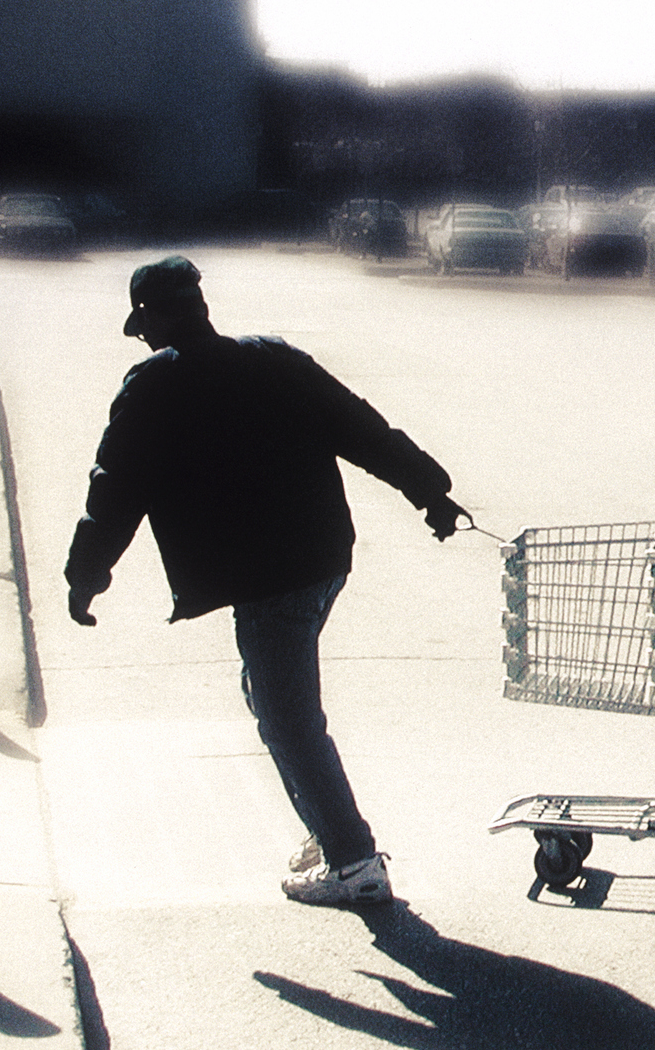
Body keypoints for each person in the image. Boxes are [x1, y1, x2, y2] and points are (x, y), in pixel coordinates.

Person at [64, 256, 469, 906]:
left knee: (288, 720)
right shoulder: (276, 361)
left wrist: (87, 575)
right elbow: (365, 430)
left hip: (265, 581)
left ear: (152, 319)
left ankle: (353, 862)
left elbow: (114, 491)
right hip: (321, 564)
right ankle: (328, 829)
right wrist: (431, 494)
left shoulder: (150, 387)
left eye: (140, 324)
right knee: (269, 697)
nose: (139, 336)